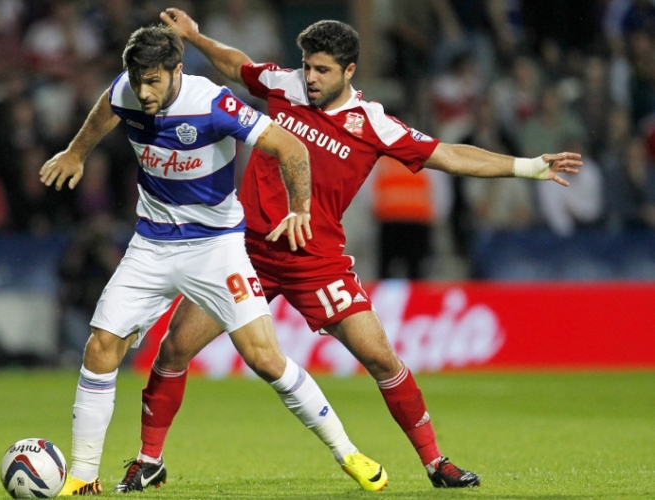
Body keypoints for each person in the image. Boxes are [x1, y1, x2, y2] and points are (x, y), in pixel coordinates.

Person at [148, 7, 584, 490]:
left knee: (381, 358)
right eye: (307, 66)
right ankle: (149, 460)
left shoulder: (374, 123)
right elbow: (238, 65)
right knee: (174, 348)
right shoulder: (285, 85)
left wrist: (528, 167)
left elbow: (451, 155)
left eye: (322, 70)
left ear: (349, 70)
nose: (310, 78)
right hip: (244, 250)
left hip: (316, 262)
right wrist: (197, 37)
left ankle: (436, 463)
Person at [39, 24, 389, 496]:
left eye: (153, 81)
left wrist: (299, 208)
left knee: (265, 358)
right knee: (101, 347)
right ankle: (83, 477)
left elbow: (290, 146)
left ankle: (348, 452)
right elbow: (108, 106)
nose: (144, 92)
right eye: (138, 81)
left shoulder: (213, 104)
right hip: (152, 245)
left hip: (216, 248)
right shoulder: (127, 89)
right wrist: (76, 152)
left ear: (177, 70)